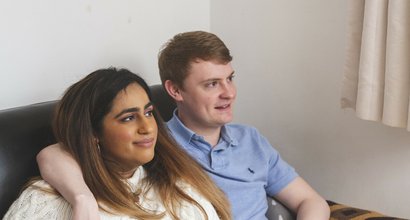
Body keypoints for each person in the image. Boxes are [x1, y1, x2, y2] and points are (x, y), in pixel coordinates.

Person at [37, 31, 330, 220]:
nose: (229, 93)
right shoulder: (156, 143)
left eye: (230, 78)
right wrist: (81, 199)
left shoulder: (250, 139)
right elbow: (55, 153)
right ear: (175, 91)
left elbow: (311, 201)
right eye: (212, 84)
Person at [4, 68, 231, 220]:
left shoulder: (178, 187)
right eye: (129, 118)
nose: (148, 127)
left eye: (149, 113)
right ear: (93, 132)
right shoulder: (46, 203)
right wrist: (83, 201)